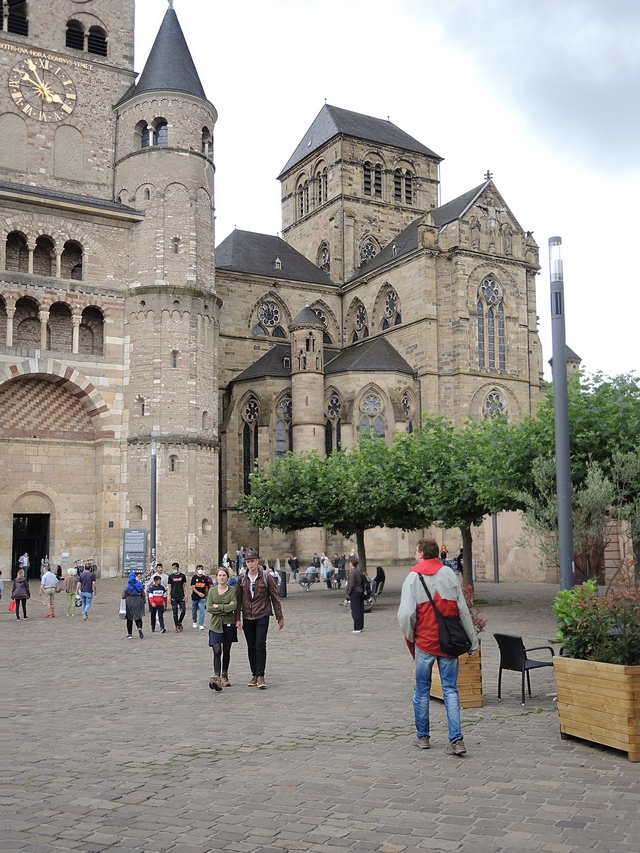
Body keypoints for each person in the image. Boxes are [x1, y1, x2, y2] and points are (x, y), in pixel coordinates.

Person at [398, 538, 478, 756]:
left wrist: (410, 636)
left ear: (422, 553)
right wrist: (472, 640)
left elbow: (406, 615)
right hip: (449, 644)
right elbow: (462, 610)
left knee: (421, 690)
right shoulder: (449, 574)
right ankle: (456, 739)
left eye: (416, 551)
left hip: (425, 642)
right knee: (450, 690)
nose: (415, 555)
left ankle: (423, 736)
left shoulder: (413, 578)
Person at [235, 549, 284, 689]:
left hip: (262, 614)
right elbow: (238, 599)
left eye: (252, 561)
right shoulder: (242, 578)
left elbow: (275, 597)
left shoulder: (266, 577)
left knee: (260, 643)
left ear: (257, 561)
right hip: (247, 616)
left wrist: (279, 617)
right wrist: (237, 618)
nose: (250, 564)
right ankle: (254, 674)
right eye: (248, 562)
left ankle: (261, 675)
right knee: (251, 646)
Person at [206, 568, 238, 690]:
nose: (222, 577)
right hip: (215, 624)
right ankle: (216, 676)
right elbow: (209, 608)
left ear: (227, 577)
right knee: (217, 650)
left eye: (224, 575)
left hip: (228, 623)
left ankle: (225, 674)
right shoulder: (212, 591)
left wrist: (218, 606)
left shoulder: (232, 591)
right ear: (216, 577)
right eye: (220, 575)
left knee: (227, 650)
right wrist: (226, 607)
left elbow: (234, 606)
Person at [122, 571, 146, 639]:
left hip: (129, 602)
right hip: (138, 601)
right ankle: (139, 628)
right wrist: (144, 601)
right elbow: (143, 594)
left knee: (129, 618)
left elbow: (123, 596)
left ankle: (130, 634)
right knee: (138, 617)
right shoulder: (139, 585)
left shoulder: (127, 586)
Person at [345, 555, 365, 633]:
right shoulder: (359, 571)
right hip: (360, 591)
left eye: (350, 563)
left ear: (351, 564)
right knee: (360, 610)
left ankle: (357, 628)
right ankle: (360, 626)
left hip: (355, 592)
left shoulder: (352, 572)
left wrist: (348, 592)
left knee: (355, 611)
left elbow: (352, 584)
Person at [167, 562, 187, 632]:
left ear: (178, 568)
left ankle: (179, 621)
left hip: (181, 595)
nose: (173, 569)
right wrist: (168, 596)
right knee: (175, 611)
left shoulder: (182, 576)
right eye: (172, 568)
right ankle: (177, 626)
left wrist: (186, 594)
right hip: (174, 596)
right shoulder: (171, 577)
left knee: (183, 610)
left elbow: (184, 585)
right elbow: (169, 586)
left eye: (174, 568)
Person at [191, 564, 211, 630]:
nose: (200, 570)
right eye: (199, 569)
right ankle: (194, 621)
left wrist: (207, 595)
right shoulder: (194, 578)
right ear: (196, 570)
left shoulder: (205, 578)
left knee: (202, 610)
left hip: (202, 598)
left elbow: (206, 587)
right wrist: (198, 593)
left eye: (201, 569)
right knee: (194, 610)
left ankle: (201, 624)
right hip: (195, 597)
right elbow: (193, 587)